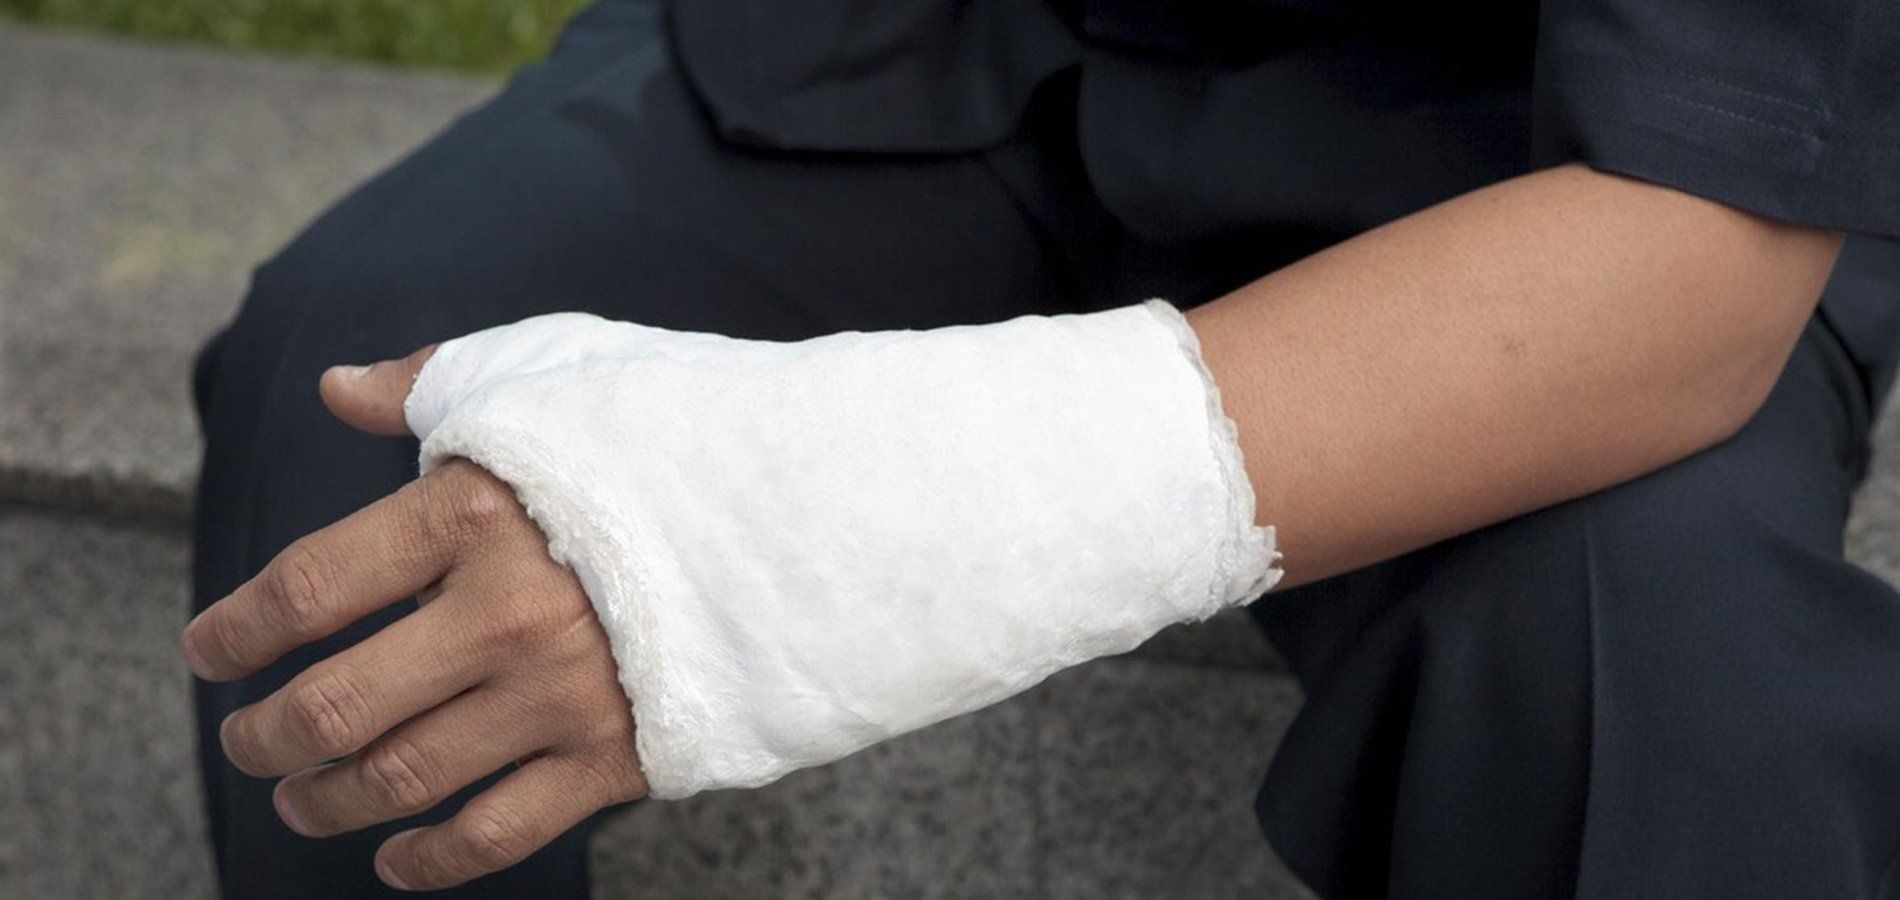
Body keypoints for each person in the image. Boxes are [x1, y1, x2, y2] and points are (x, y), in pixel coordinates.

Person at [183, 0, 1900, 896]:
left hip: (1565, 167)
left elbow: (1694, 246)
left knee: (1664, 677)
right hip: (927, 53)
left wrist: (804, 530)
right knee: (380, 399)